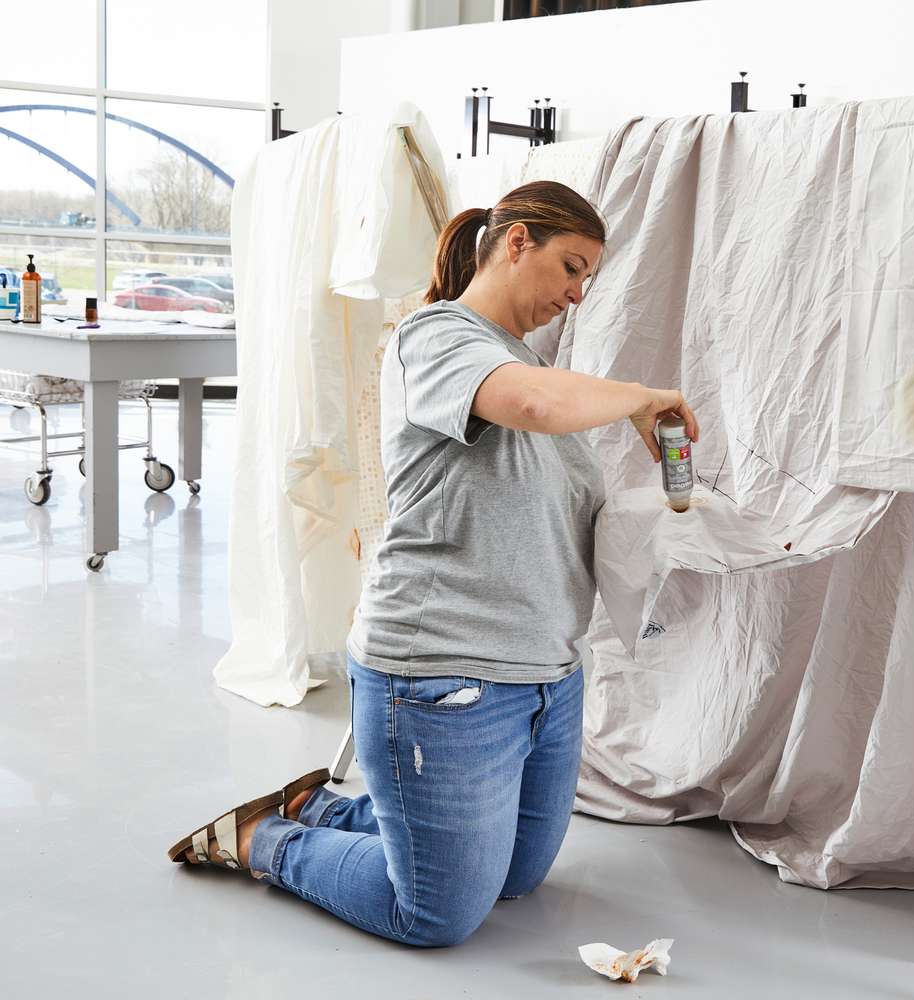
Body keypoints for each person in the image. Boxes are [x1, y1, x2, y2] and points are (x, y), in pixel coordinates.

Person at [169, 180, 699, 947]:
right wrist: (644, 397)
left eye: (590, 279)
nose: (579, 294)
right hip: (445, 673)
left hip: (546, 677)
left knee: (516, 879)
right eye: (571, 268)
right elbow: (535, 408)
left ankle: (320, 807)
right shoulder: (439, 338)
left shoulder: (526, 362)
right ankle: (261, 841)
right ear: (516, 242)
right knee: (435, 914)